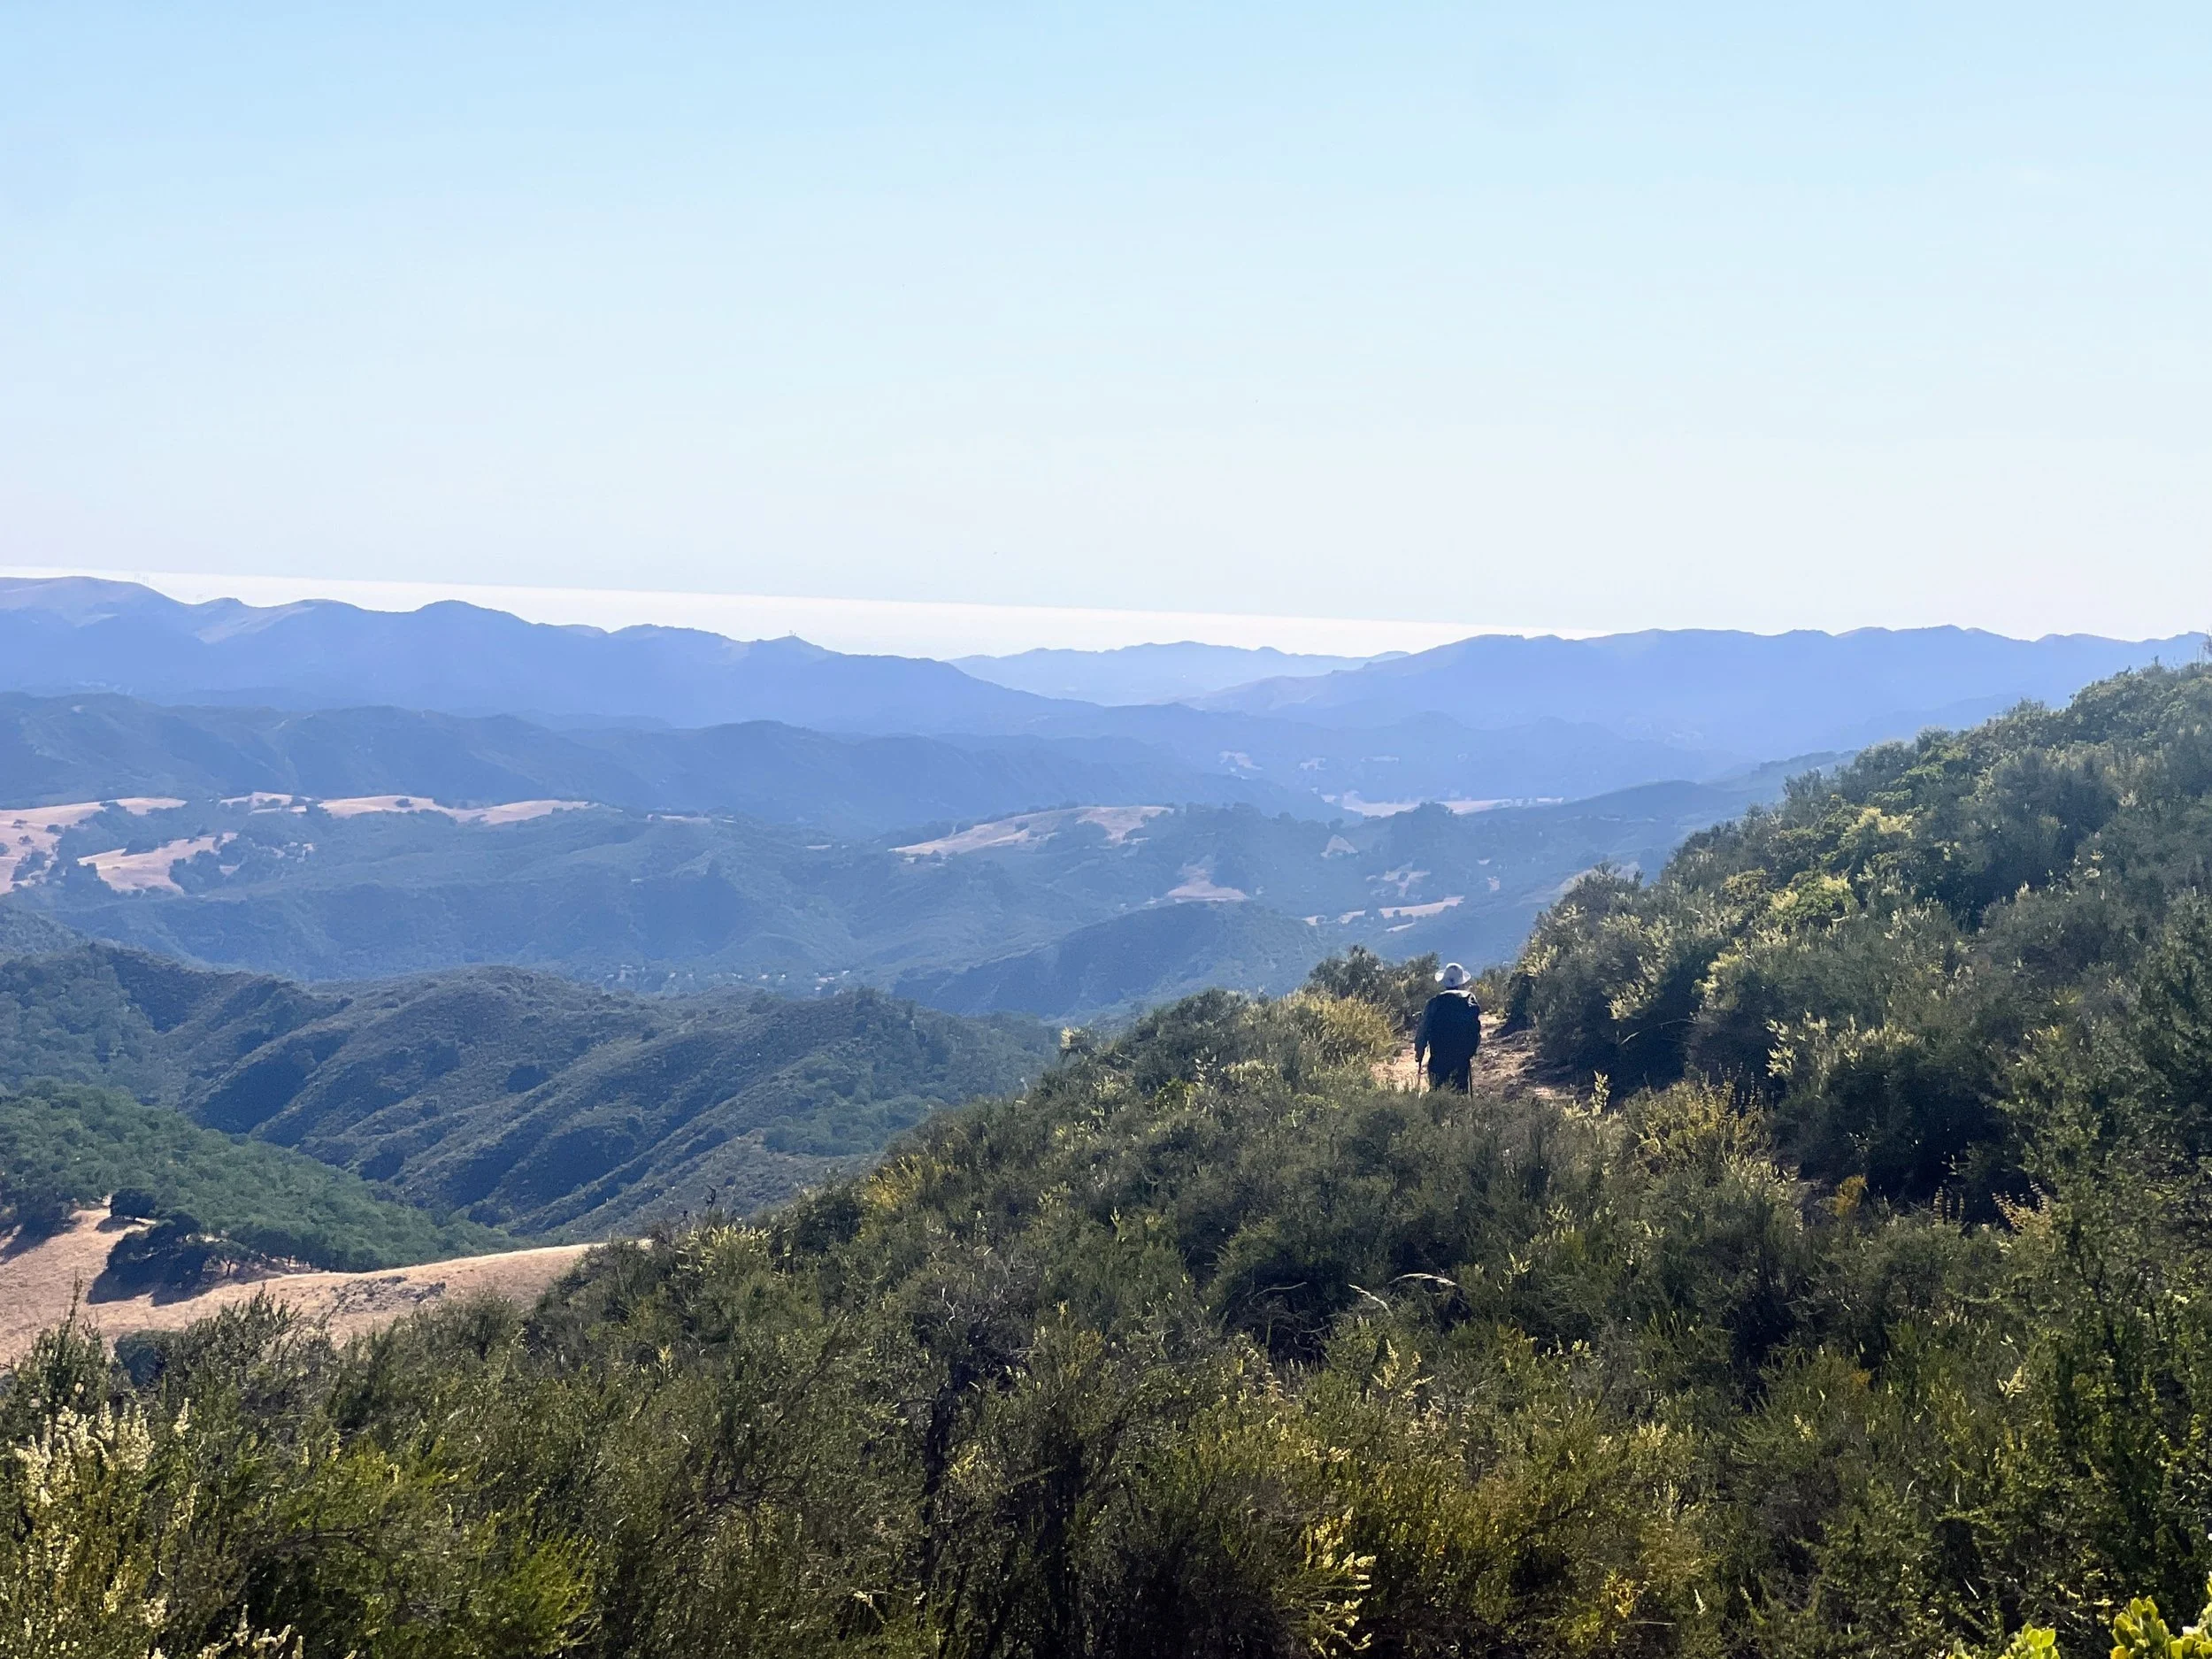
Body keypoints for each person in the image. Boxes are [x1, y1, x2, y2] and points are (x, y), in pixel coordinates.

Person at [1414, 963, 1483, 1092]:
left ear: (1444, 982)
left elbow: (1423, 1028)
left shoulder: (1434, 1002)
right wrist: (1471, 1050)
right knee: (1460, 1090)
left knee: (1438, 1089)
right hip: (1461, 1058)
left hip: (1438, 1055)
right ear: (1461, 982)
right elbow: (1475, 1030)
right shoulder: (1469, 1000)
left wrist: (1420, 1050)